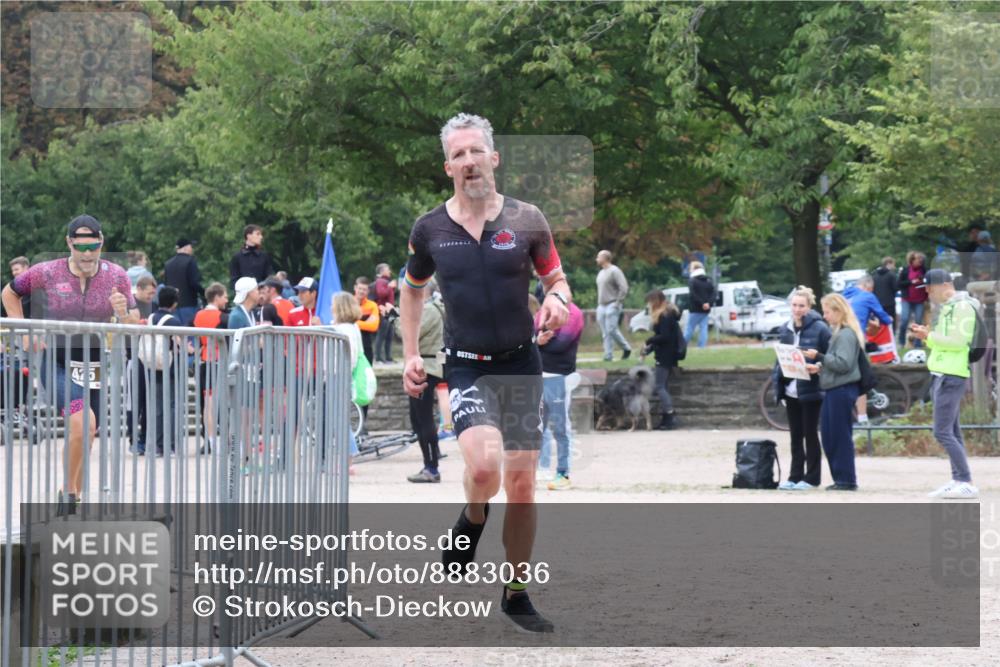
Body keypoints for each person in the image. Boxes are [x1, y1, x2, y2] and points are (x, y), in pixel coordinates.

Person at [401, 112, 569, 633]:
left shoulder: (527, 219)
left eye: (476, 151)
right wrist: (411, 352)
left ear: (494, 158)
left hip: (521, 363)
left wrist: (558, 302)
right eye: (458, 154)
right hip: (466, 365)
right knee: (483, 469)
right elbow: (411, 288)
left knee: (520, 485)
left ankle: (516, 591)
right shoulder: (429, 229)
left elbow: (557, 280)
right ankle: (473, 515)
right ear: (447, 165)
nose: (468, 161)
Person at [1, 214, 139, 514]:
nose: (87, 254)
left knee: (87, 431)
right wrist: (23, 331)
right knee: (82, 422)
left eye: (93, 246)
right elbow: (9, 293)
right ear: (69, 244)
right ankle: (69, 494)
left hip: (94, 362)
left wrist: (122, 311)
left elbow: (132, 321)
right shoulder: (47, 272)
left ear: (102, 243)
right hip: (57, 361)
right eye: (81, 247)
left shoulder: (117, 276)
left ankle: (70, 492)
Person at [909, 269, 979, 499]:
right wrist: (927, 334)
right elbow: (943, 342)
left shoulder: (962, 307)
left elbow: (959, 343)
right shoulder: (947, 308)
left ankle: (965, 480)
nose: (927, 292)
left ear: (943, 285)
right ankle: (958, 478)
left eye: (929, 287)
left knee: (942, 431)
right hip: (942, 372)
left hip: (952, 374)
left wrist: (928, 337)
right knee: (952, 431)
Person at [773, 286, 831, 490]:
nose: (797, 309)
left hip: (811, 390)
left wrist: (819, 367)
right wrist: (778, 384)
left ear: (809, 307)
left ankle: (812, 477)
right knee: (795, 435)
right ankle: (794, 476)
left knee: (810, 434)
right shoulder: (785, 328)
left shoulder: (821, 329)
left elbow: (830, 356)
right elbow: (779, 359)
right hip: (791, 389)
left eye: (801, 305)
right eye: (794, 305)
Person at [804, 293, 863, 491]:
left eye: (827, 311)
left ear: (838, 311)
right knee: (830, 435)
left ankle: (846, 479)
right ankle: (841, 478)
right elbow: (838, 362)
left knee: (838, 436)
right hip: (834, 388)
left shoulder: (845, 334)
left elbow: (844, 364)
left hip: (841, 389)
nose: (825, 316)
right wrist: (820, 366)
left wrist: (819, 356)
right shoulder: (840, 333)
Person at [398, 278, 446, 483]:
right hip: (429, 366)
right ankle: (431, 463)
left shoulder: (429, 310)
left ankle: (431, 467)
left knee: (422, 419)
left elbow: (408, 334)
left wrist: (394, 320)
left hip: (424, 367)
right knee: (420, 419)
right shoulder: (437, 308)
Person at [535, 297, 583, 488]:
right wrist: (538, 340)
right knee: (538, 426)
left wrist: (540, 341)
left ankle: (563, 473)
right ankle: (542, 468)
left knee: (561, 428)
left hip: (560, 376)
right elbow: (529, 338)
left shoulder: (574, 313)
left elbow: (561, 344)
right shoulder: (542, 311)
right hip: (540, 375)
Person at [843, 273, 893, 423]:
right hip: (856, 339)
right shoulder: (867, 295)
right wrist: (888, 319)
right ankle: (862, 418)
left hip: (839, 338)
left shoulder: (844, 295)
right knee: (860, 378)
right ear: (868, 286)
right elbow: (883, 317)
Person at [145, 286, 182, 456]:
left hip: (153, 365)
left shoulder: (151, 317)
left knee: (158, 407)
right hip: (170, 368)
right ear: (174, 303)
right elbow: (179, 344)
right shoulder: (173, 321)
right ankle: (170, 444)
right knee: (172, 406)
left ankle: (157, 445)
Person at [193, 282, 229, 454]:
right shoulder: (223, 317)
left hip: (204, 359)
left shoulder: (198, 315)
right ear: (216, 297)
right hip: (219, 360)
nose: (227, 299)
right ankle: (222, 440)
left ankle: (210, 440)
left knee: (208, 404)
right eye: (224, 296)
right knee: (221, 403)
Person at [642, 289, 683, 431]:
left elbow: (664, 337)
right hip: (667, 354)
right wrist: (650, 348)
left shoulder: (665, 316)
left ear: (655, 301)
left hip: (665, 355)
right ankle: (666, 417)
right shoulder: (668, 314)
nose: (648, 305)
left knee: (659, 386)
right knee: (663, 386)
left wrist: (649, 340)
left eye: (650, 302)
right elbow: (662, 338)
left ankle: (670, 415)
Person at [330, 292, 363, 465]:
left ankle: (348, 456)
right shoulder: (353, 327)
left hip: (338, 375)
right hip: (344, 375)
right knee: (340, 416)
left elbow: (347, 355)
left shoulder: (342, 329)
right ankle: (348, 456)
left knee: (338, 417)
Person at [594, 250, 631, 361]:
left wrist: (618, 302)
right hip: (601, 305)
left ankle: (626, 348)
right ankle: (608, 355)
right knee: (605, 332)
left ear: (605, 258)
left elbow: (623, 287)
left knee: (611, 330)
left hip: (612, 304)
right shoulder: (601, 273)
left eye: (598, 257)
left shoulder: (615, 271)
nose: (596, 259)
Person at [163, 238, 204, 325]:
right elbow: (194, 283)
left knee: (176, 334)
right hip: (189, 304)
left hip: (172, 305)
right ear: (186, 247)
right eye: (191, 246)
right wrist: (204, 293)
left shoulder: (168, 264)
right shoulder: (190, 261)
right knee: (189, 334)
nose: (192, 249)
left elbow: (166, 284)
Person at [897, 251, 928, 349]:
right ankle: (901, 342)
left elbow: (928, 282)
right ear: (912, 260)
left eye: (921, 259)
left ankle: (918, 343)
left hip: (920, 300)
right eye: (917, 259)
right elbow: (899, 284)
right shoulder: (905, 270)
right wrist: (911, 282)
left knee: (918, 321)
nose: (920, 260)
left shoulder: (924, 270)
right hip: (907, 299)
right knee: (904, 319)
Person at [685, 260, 715, 348]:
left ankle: (682, 345)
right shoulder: (708, 280)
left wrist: (702, 303)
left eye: (690, 268)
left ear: (694, 269)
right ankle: (701, 347)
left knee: (690, 328)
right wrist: (708, 303)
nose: (689, 270)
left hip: (695, 308)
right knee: (703, 328)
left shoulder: (692, 281)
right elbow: (713, 294)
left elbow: (693, 295)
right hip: (706, 309)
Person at [373, 263, 398, 363]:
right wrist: (390, 287)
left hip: (390, 312)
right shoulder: (380, 281)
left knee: (390, 334)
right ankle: (379, 357)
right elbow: (381, 293)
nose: (390, 271)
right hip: (384, 312)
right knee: (382, 334)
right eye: (388, 269)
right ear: (382, 271)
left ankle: (388, 357)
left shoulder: (386, 281)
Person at [354, 277, 380, 364]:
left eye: (364, 289)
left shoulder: (372, 305)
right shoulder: (348, 303)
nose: (361, 291)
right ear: (355, 288)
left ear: (368, 291)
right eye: (359, 288)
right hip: (350, 346)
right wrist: (365, 323)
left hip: (366, 346)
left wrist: (353, 322)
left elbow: (373, 326)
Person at [872, 257, 897, 323]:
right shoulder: (891, 275)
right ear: (889, 264)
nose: (894, 266)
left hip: (877, 303)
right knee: (890, 322)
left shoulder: (874, 275)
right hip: (890, 303)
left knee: (879, 322)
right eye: (893, 264)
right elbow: (896, 288)